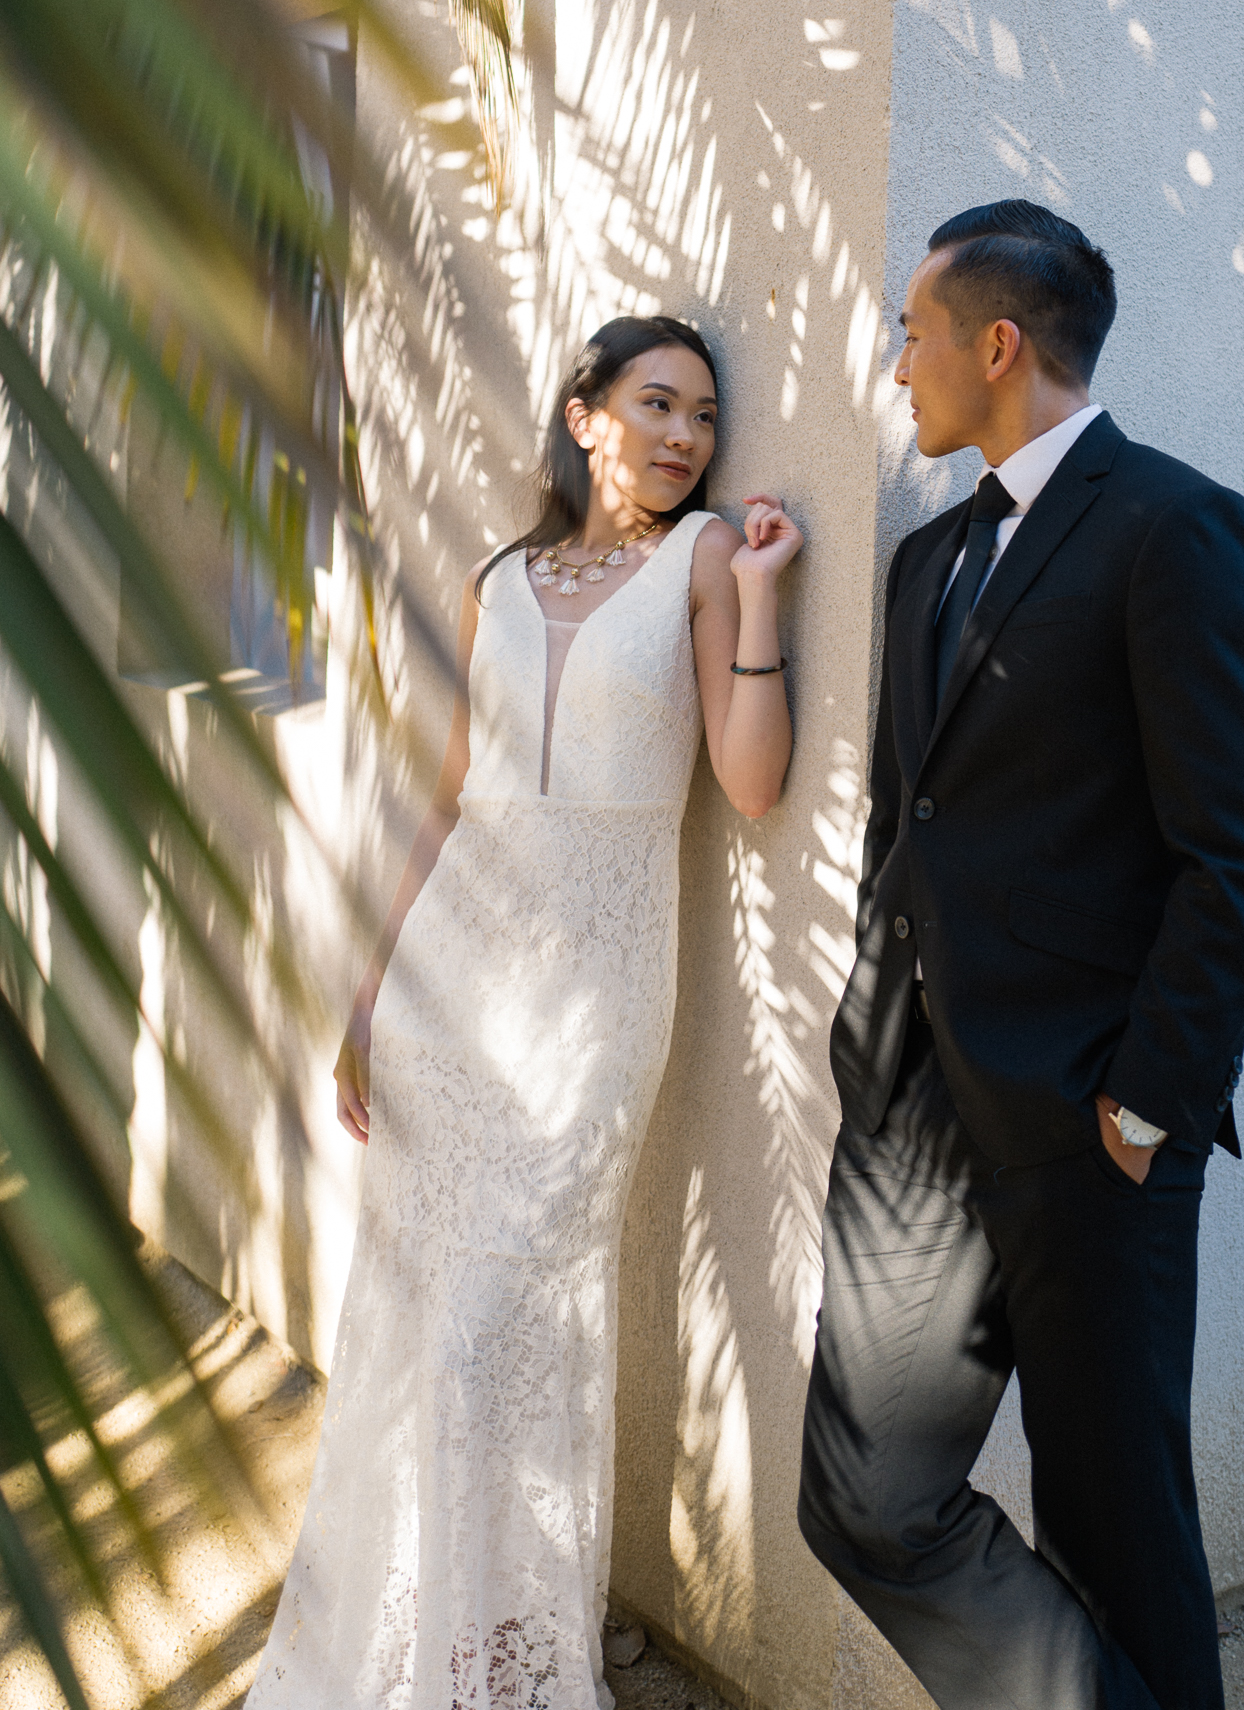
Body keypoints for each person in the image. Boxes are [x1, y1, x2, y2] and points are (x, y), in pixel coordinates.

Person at [248, 314, 802, 1710]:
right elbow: (447, 797)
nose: (686, 437)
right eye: (658, 404)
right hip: (447, 994)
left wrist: (764, 603)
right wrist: (370, 995)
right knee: (420, 1316)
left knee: (504, 1320)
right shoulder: (498, 578)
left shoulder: (708, 559)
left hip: (593, 1001)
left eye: (704, 417)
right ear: (583, 415)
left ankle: (504, 1652)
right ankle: (422, 1628)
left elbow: (749, 785)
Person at [798, 201, 1244, 1710]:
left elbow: (1241, 852)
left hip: (1092, 1125)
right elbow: (907, 822)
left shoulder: (1178, 529)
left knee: (1116, 1529)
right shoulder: (926, 560)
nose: (899, 366)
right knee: (866, 1497)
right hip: (911, 1111)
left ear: (999, 345)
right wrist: (870, 1033)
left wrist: (1147, 1104)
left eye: (914, 335)